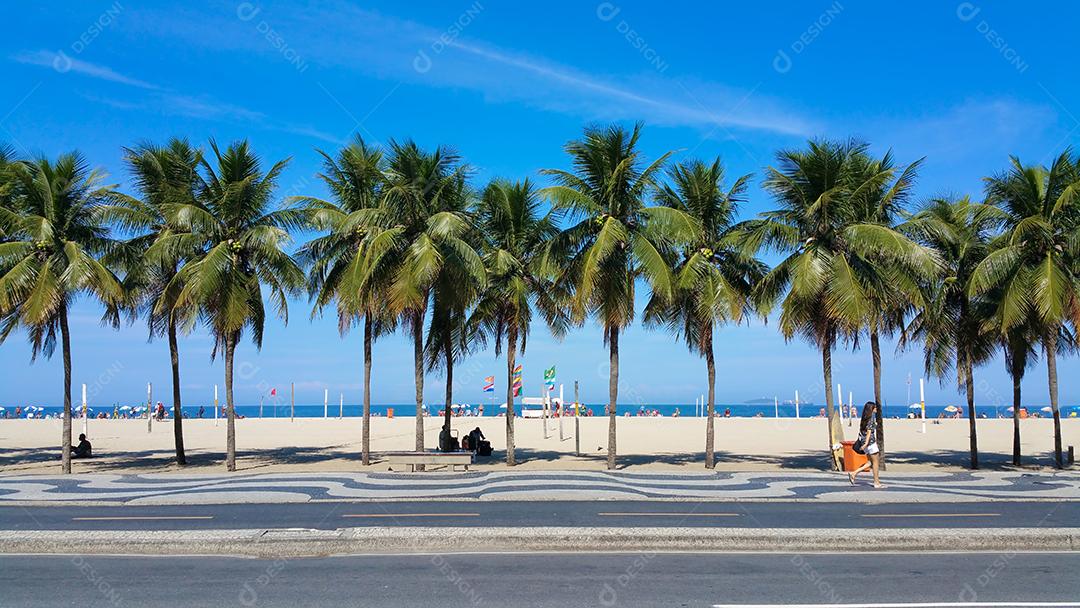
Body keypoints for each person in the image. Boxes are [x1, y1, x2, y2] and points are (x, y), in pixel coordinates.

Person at [849, 401, 883, 488]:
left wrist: (864, 444)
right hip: (870, 442)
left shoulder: (864, 417)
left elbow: (863, 431)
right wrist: (867, 443)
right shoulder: (871, 418)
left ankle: (854, 473)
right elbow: (868, 432)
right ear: (871, 409)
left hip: (864, 442)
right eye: (875, 407)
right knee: (875, 462)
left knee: (870, 462)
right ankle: (876, 482)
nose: (876, 409)